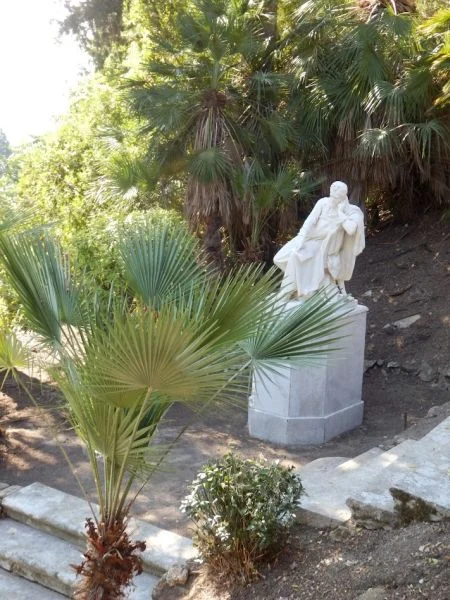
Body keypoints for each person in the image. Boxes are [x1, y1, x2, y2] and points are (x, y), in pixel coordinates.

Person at [274, 181, 365, 299]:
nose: (332, 200)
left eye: (335, 198)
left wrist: (340, 213)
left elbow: (351, 229)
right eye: (331, 196)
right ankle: (302, 282)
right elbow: (310, 221)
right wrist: (301, 238)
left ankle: (288, 293)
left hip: (323, 245)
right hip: (309, 238)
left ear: (343, 197)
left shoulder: (351, 210)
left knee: (295, 257)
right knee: (279, 258)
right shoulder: (323, 202)